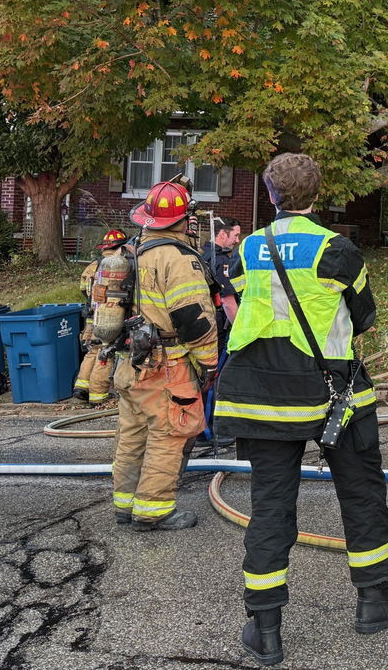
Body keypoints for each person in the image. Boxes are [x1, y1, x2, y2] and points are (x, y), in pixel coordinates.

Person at [215, 152, 388, 667]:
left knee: (270, 506)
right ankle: (377, 600)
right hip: (333, 390)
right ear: (319, 193)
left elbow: (246, 308)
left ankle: (265, 627)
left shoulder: (246, 250)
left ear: (270, 194)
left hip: (261, 394)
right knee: (361, 493)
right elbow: (365, 315)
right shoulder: (337, 250)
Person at [111, 179, 218, 531]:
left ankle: (125, 505)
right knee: (169, 435)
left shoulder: (134, 251)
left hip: (132, 363)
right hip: (167, 367)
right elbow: (194, 320)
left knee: (132, 436)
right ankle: (154, 510)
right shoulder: (177, 259)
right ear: (184, 219)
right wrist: (209, 362)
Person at [199, 216, 241, 446]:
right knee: (214, 379)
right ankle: (208, 432)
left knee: (203, 376)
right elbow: (228, 300)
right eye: (235, 235)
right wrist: (240, 331)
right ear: (222, 234)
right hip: (220, 329)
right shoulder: (220, 260)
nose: (237, 240)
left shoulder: (200, 256)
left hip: (202, 327)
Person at [73, 229, 127, 405]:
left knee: (92, 351)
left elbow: (83, 289)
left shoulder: (93, 265)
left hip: (92, 316)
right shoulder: (121, 263)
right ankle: (98, 395)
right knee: (106, 353)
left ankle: (81, 388)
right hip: (110, 316)